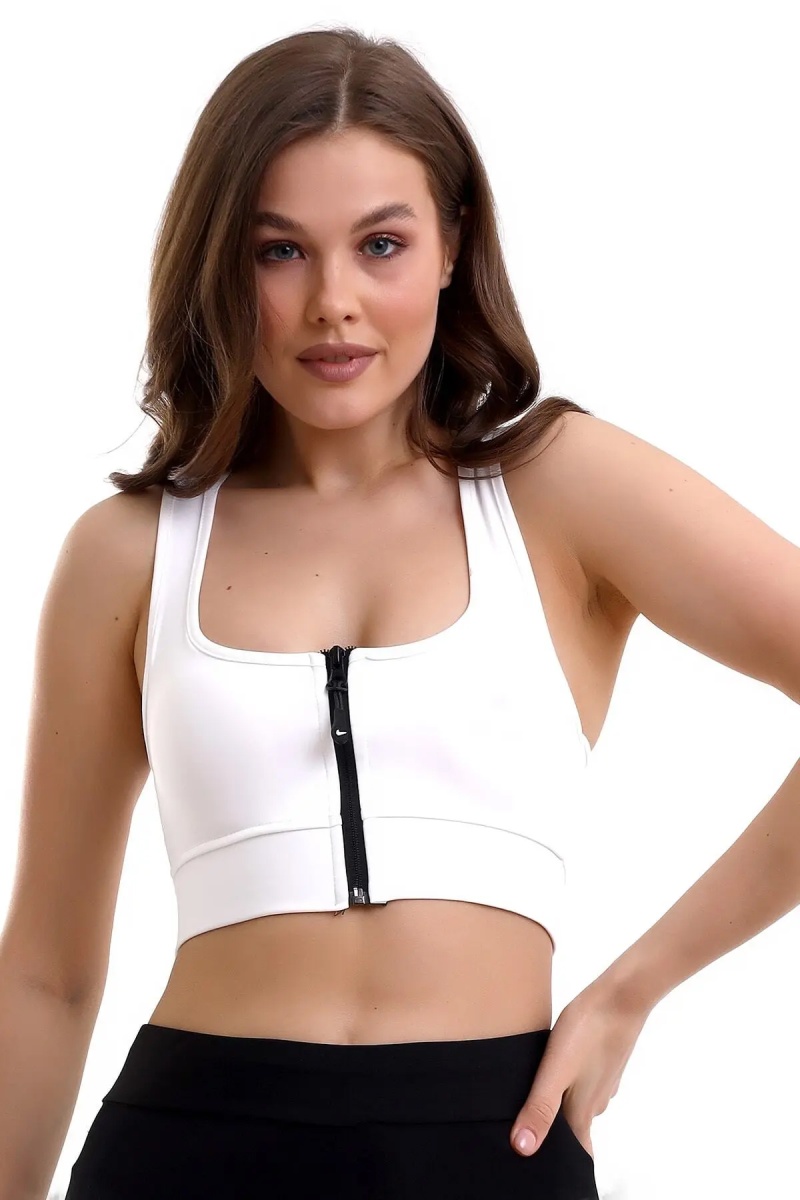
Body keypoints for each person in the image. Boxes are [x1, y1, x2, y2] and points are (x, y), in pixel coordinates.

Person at [5, 23, 800, 1200]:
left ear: (450, 247)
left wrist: (632, 990)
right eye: (279, 251)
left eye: (380, 244)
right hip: (187, 1143)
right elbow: (49, 973)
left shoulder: (558, 490)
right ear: (221, 262)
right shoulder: (127, 553)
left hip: (493, 1141)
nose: (332, 303)